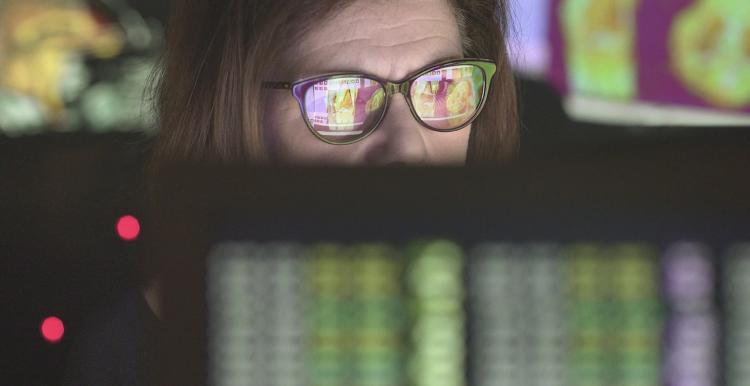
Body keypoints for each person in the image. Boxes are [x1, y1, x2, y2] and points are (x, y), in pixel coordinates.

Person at [64, 0, 517, 384]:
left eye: (442, 86)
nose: (407, 149)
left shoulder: (529, 304)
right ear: (233, 108)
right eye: (339, 98)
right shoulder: (144, 356)